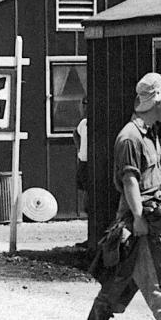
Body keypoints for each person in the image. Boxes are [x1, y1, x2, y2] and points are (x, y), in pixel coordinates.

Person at [87, 73, 161, 320]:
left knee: (117, 285)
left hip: (144, 220)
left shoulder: (149, 134)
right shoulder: (129, 137)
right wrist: (139, 218)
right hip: (138, 223)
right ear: (157, 102)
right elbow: (130, 180)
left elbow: (157, 171)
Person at [73, 95, 90, 247]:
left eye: (86, 104)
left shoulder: (95, 123)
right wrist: (79, 150)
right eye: (83, 104)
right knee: (85, 200)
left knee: (91, 201)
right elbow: (75, 133)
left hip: (92, 163)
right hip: (83, 162)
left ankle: (92, 236)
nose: (84, 107)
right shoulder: (83, 123)